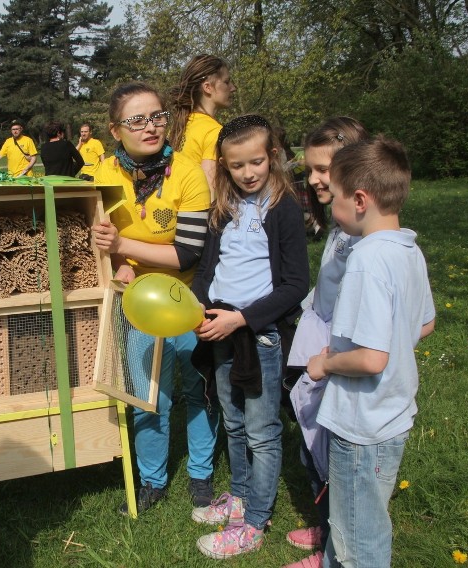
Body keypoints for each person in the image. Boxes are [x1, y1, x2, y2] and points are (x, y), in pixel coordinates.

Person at [307, 137, 435, 568]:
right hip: (392, 413)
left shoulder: (366, 259)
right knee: (354, 523)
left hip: (362, 426)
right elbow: (426, 323)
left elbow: (369, 358)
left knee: (359, 542)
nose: (332, 205)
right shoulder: (408, 248)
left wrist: (326, 362)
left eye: (337, 196)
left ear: (359, 199)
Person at [91, 82, 218, 513]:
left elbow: (188, 251)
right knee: (149, 395)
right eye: (138, 120)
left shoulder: (188, 173)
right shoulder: (101, 176)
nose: (151, 127)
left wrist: (122, 248)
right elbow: (91, 243)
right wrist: (115, 265)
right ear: (115, 130)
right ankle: (152, 480)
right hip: (137, 303)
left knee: (199, 390)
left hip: (190, 298)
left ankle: (201, 474)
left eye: (158, 116)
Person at [190, 115, 309, 559]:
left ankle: (256, 520)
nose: (247, 173)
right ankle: (239, 498)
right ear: (224, 166)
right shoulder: (224, 207)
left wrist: (241, 321)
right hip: (219, 328)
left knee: (261, 430)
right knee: (234, 422)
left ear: (272, 156)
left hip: (258, 336)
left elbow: (295, 285)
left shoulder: (284, 210)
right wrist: (198, 308)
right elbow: (207, 271)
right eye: (236, 165)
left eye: (255, 162)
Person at [281, 117, 370, 568]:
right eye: (310, 169)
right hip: (323, 358)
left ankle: (339, 551)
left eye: (323, 169)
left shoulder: (371, 243)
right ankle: (330, 529)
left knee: (342, 462)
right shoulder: (340, 226)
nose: (313, 179)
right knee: (314, 449)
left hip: (343, 367)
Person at [169, 54, 236, 194]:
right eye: (226, 82)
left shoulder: (179, 127)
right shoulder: (214, 132)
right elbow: (208, 192)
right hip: (196, 212)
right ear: (207, 87)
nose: (233, 88)